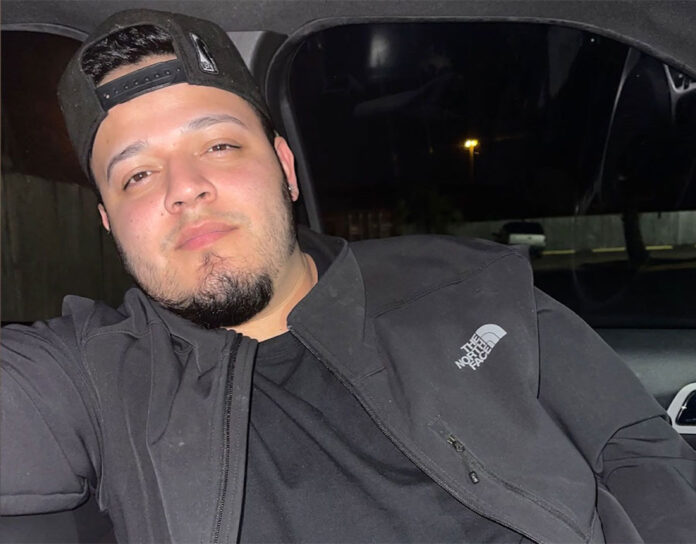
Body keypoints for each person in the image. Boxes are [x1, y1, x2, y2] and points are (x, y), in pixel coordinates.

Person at [2, 9, 695, 544]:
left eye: (218, 145)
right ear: (108, 221)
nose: (184, 188)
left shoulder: (467, 282)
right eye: (137, 174)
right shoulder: (88, 379)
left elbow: (634, 448)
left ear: (285, 168)